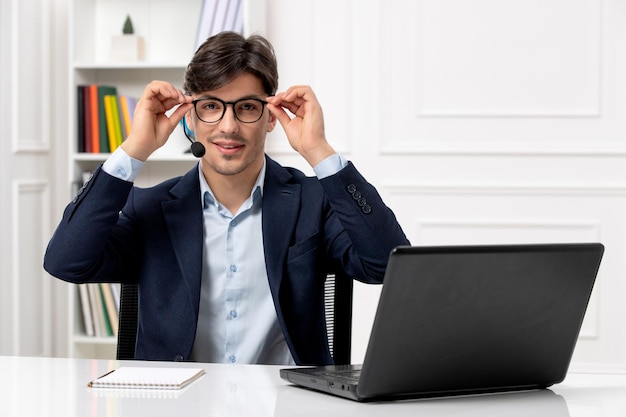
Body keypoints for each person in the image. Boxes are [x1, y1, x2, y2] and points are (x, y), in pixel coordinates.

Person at [44, 31, 409, 365]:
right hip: (179, 405)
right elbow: (66, 262)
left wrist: (319, 151)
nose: (228, 126)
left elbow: (387, 266)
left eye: (247, 107)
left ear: (270, 117)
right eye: (211, 106)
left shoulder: (315, 200)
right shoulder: (150, 208)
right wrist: (134, 150)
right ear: (191, 117)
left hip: (287, 404)